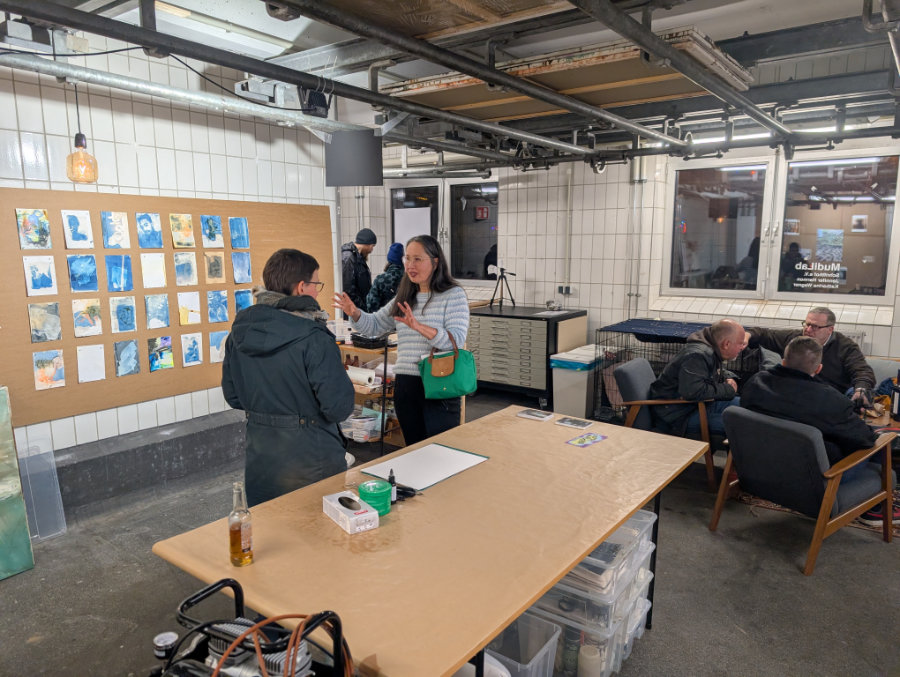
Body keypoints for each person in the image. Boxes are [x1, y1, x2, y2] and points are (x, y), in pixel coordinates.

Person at [223, 248, 355, 507]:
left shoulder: (239, 334)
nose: (317, 292)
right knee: (317, 527)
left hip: (261, 456)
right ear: (301, 287)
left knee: (270, 524)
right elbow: (338, 407)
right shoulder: (314, 338)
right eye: (316, 284)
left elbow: (233, 396)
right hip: (312, 457)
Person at [741, 336, 897, 526]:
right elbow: (865, 440)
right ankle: (873, 511)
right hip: (811, 482)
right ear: (818, 369)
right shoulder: (829, 400)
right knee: (881, 444)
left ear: (783, 361)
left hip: (759, 471)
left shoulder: (755, 383)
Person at [334, 235, 469, 446]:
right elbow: (374, 325)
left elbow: (456, 341)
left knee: (440, 451)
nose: (410, 265)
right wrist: (355, 313)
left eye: (418, 259)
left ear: (435, 262)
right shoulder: (405, 296)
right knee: (414, 449)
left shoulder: (453, 295)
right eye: (407, 258)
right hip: (406, 385)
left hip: (439, 382)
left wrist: (419, 327)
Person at [746, 306, 875, 405]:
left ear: (830, 329)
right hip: (794, 395)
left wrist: (861, 389)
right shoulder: (796, 338)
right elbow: (765, 334)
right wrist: (747, 336)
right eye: (807, 324)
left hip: (829, 400)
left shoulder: (846, 347)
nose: (808, 330)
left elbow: (862, 371)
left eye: (815, 327)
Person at [648, 319, 747, 436]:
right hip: (677, 416)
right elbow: (693, 391)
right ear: (726, 344)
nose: (742, 347)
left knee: (748, 407)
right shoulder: (697, 356)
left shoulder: (710, 347)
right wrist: (728, 389)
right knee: (743, 425)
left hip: (695, 406)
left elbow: (708, 372)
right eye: (740, 343)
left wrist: (729, 378)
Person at [341, 227, 377, 312]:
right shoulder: (349, 257)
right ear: (367, 244)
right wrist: (362, 308)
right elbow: (348, 289)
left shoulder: (358, 257)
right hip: (353, 310)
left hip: (357, 308)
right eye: (372, 246)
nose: (372, 250)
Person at [365, 242, 404, 312]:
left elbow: (371, 305)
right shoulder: (409, 279)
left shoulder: (380, 279)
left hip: (383, 317)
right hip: (404, 317)